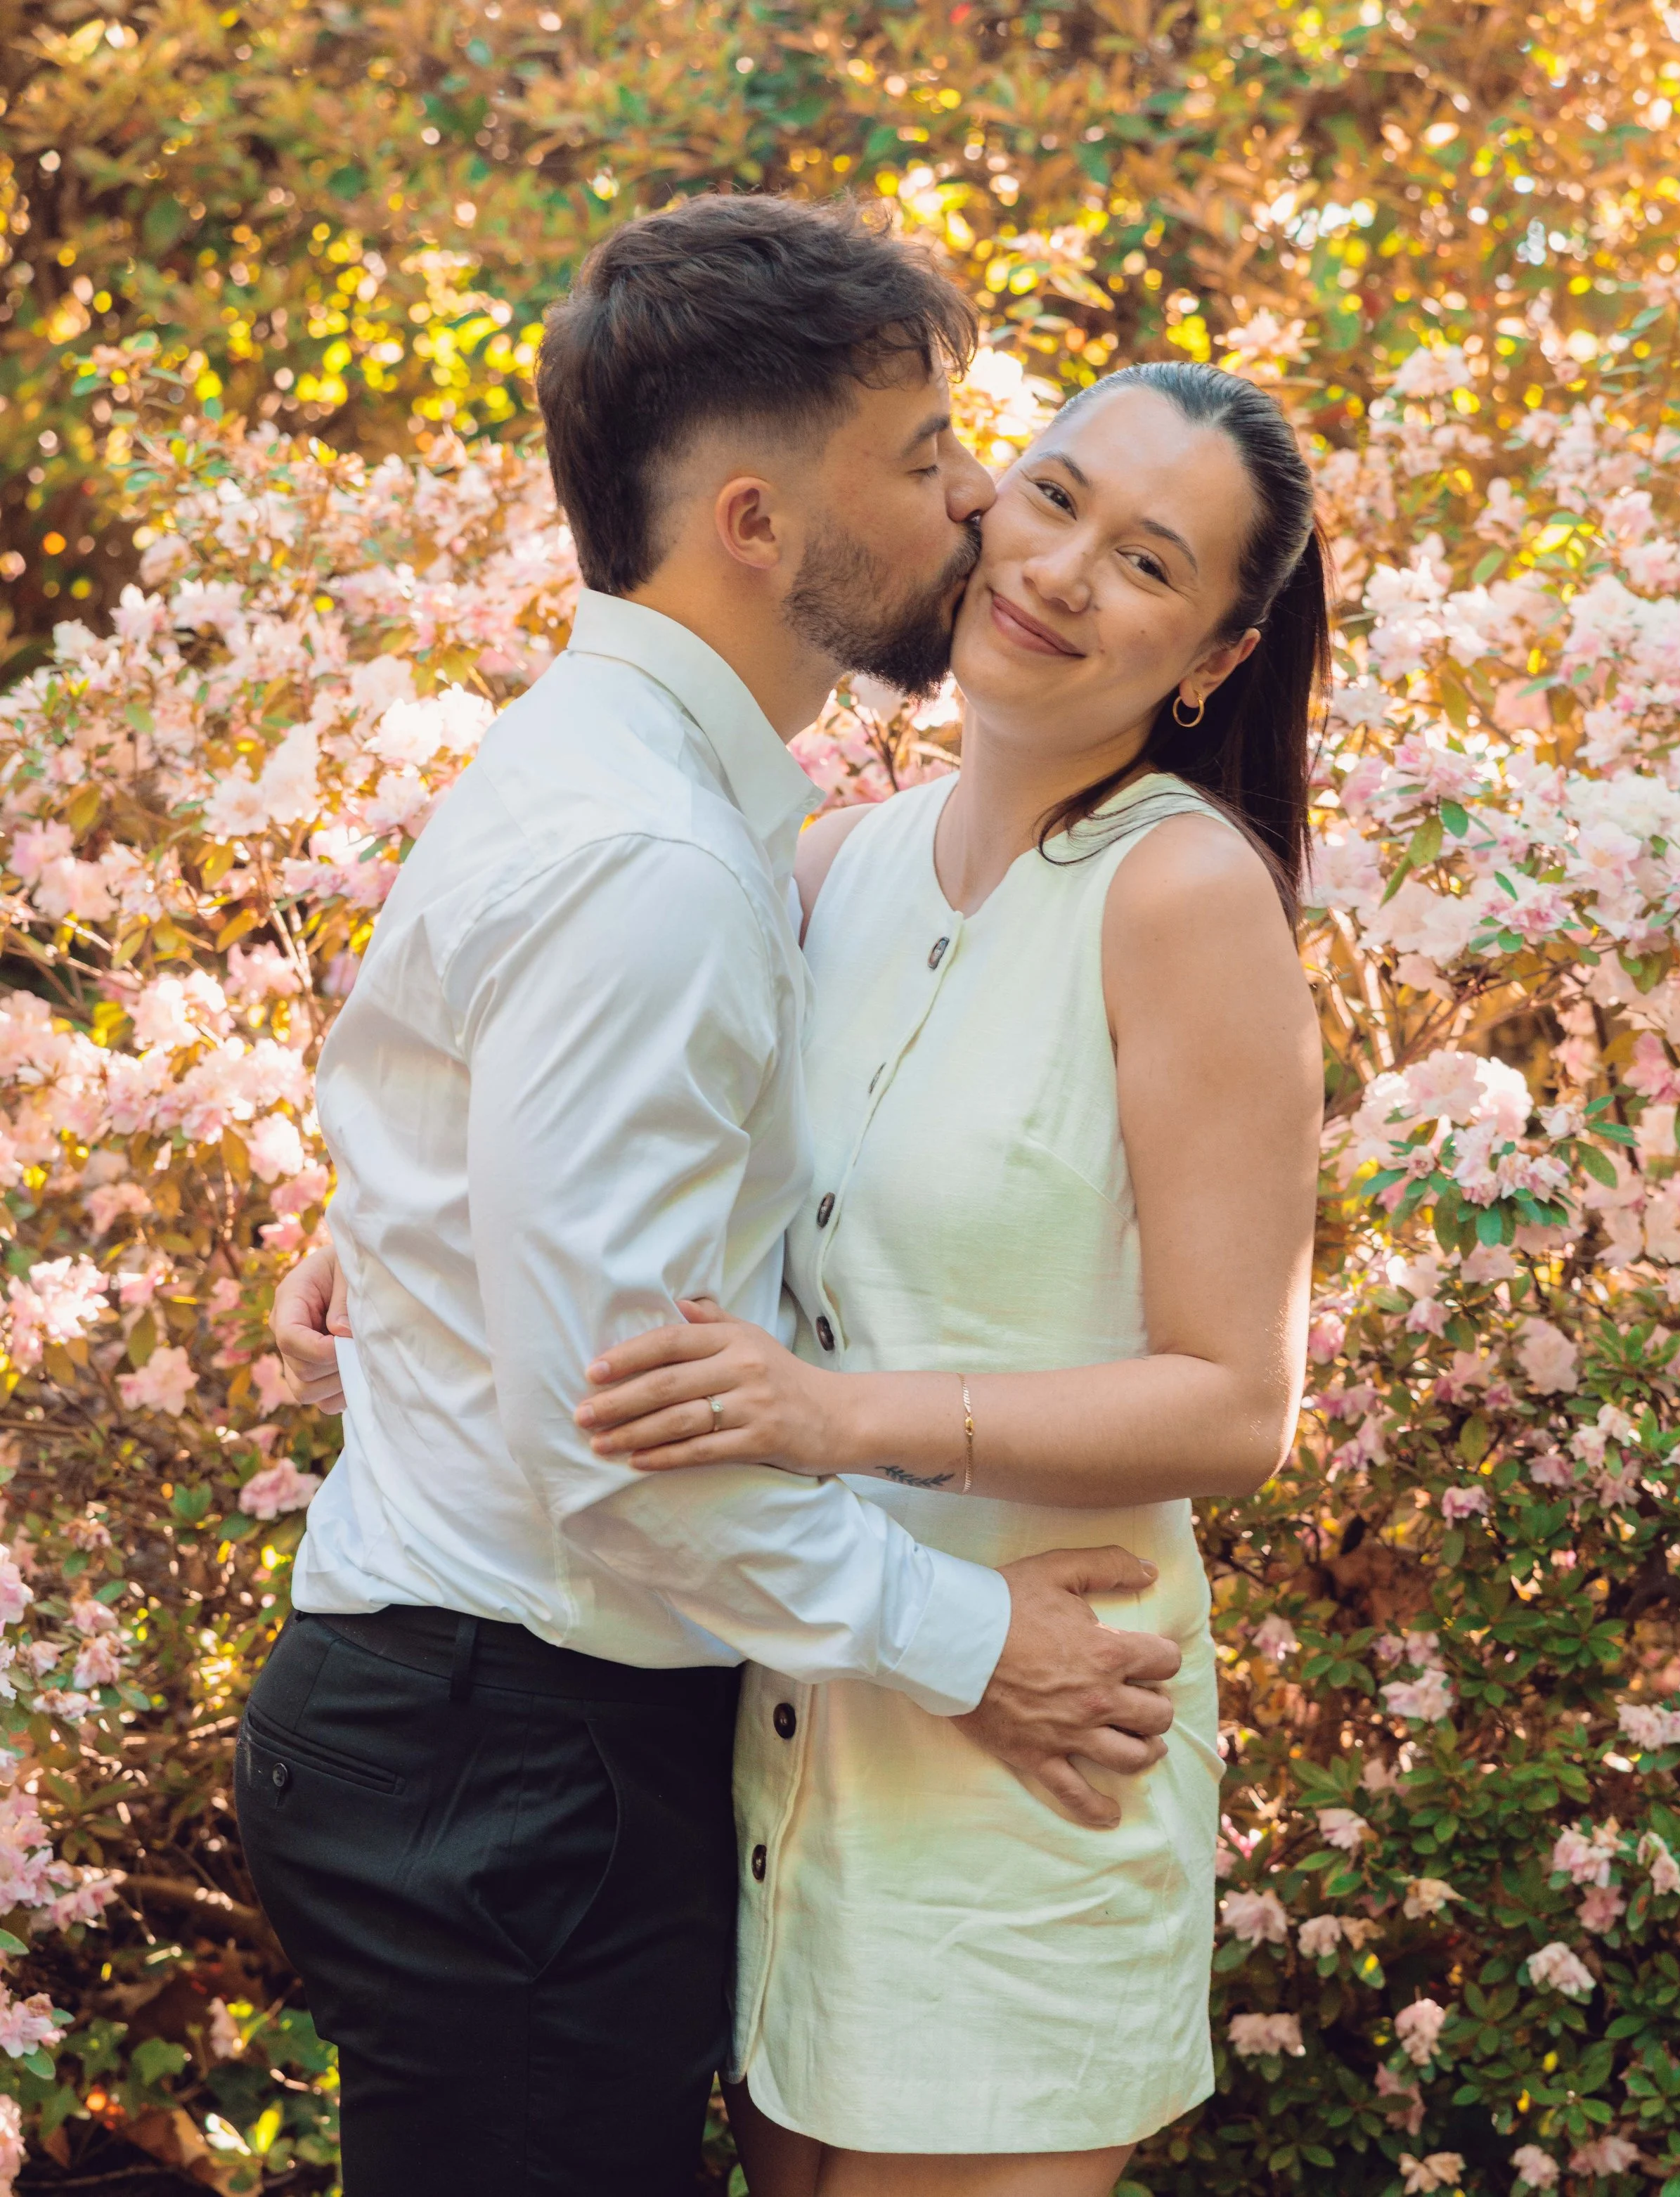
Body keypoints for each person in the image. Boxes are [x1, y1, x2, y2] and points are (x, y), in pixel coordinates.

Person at [277, 350, 1326, 2195]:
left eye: (1152, 564)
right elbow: (603, 1138)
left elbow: (1235, 1400)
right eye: (1057, 492)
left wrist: (849, 1414)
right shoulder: (819, 863)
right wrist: (393, 1228)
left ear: (1217, 656)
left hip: (1035, 1731)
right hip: (786, 1729)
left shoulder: (1180, 897)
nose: (1063, 569)